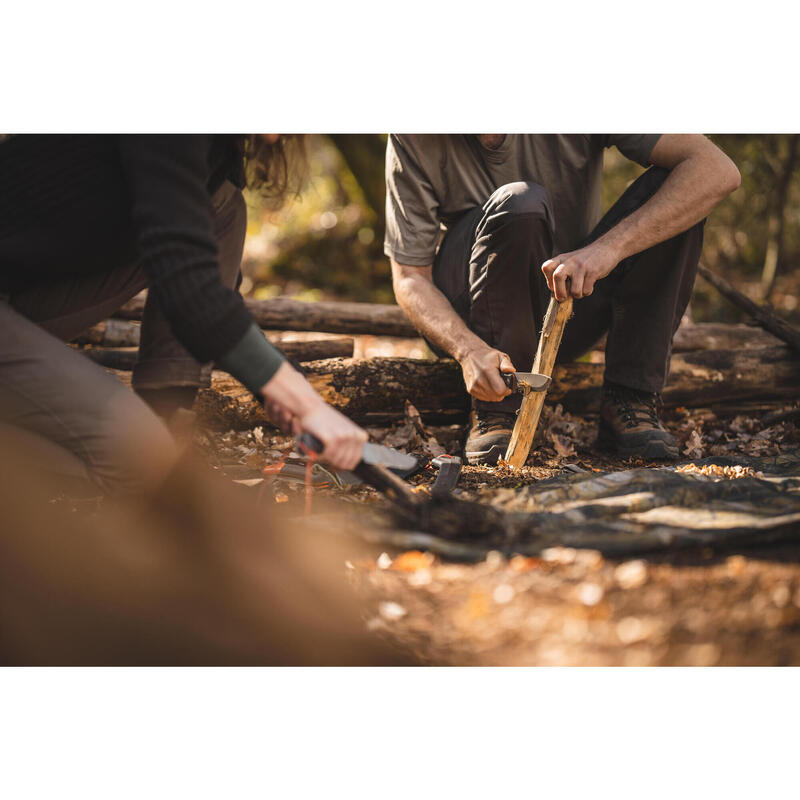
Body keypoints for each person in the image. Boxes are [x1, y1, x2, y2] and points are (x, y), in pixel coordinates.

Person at [0, 134, 367, 495]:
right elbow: (190, 288)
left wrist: (280, 390)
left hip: (21, 298)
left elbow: (202, 286)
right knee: (142, 459)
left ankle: (165, 419)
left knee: (223, 207)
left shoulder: (217, 149)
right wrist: (305, 402)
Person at [385, 134, 741, 464]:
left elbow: (716, 170)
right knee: (521, 202)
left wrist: (607, 250)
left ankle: (630, 398)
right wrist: (467, 349)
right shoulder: (413, 134)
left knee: (677, 188)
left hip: (569, 305)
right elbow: (410, 277)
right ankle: (497, 408)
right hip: (473, 322)